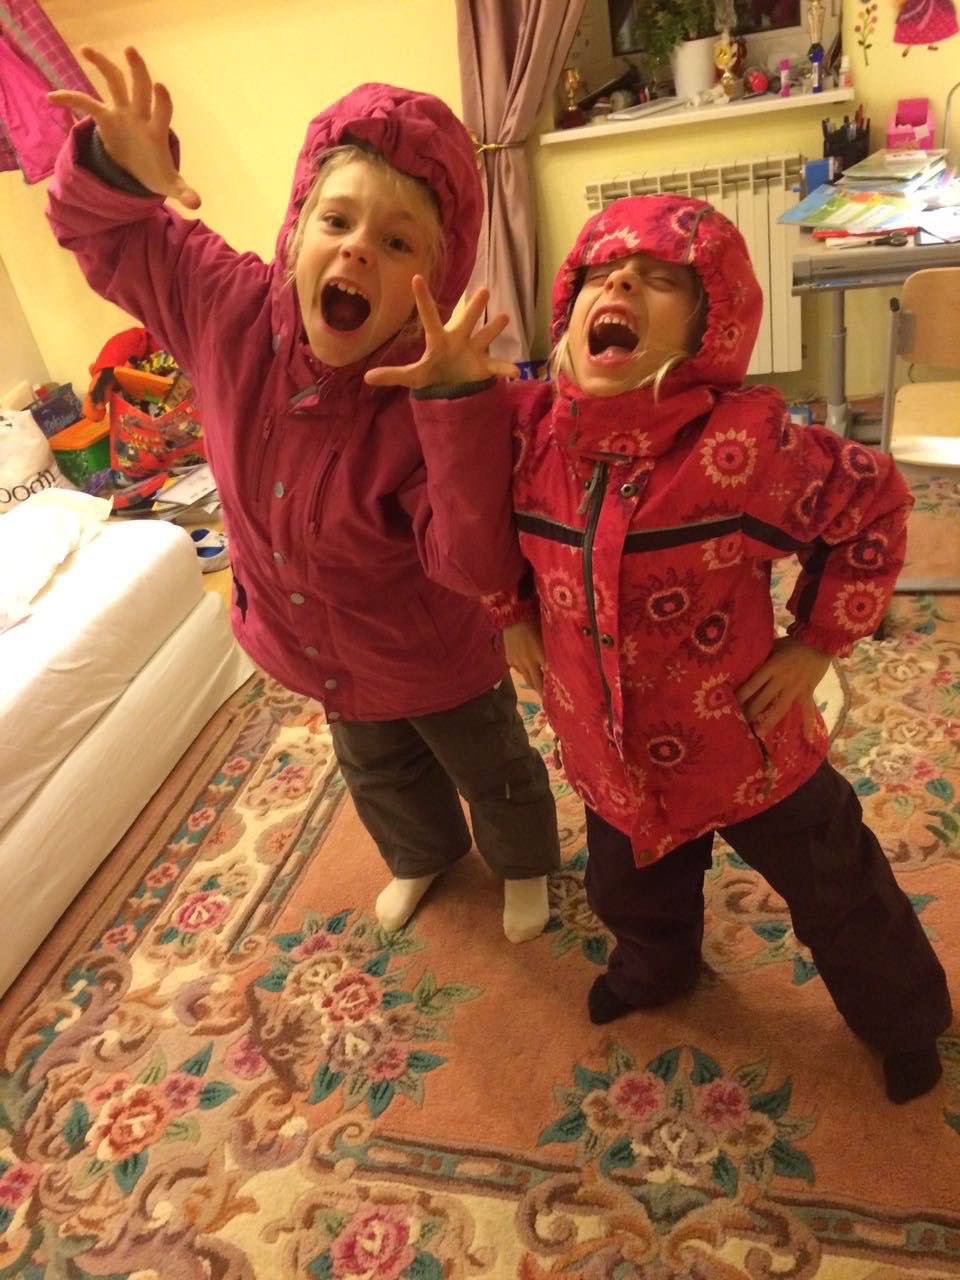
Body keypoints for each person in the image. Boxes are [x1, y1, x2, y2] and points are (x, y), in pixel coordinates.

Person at [381, 193, 952, 1103]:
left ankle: (904, 1017)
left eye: (657, 280)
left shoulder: (745, 447)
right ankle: (658, 971)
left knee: (838, 886)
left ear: (706, 325)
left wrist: (817, 642)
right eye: (601, 276)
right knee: (630, 893)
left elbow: (873, 503)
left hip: (746, 745)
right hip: (609, 752)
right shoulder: (526, 433)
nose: (620, 286)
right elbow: (476, 538)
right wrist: (509, 604)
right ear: (569, 312)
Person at [46, 47, 561, 941]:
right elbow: (112, 239)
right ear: (296, 233)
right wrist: (113, 169)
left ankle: (524, 863)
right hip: (316, 643)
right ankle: (423, 853)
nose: (357, 247)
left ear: (434, 283)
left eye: (396, 242)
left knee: (492, 765)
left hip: (434, 652)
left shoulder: (428, 397)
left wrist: (454, 410)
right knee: (378, 769)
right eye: (338, 220)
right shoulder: (228, 306)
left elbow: (472, 560)